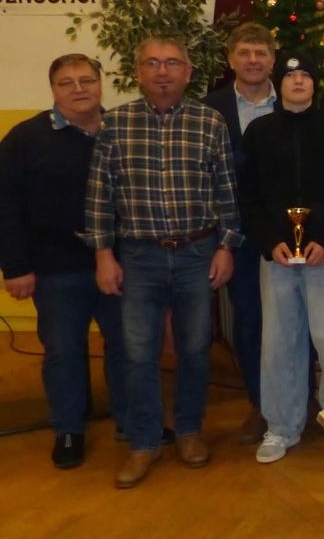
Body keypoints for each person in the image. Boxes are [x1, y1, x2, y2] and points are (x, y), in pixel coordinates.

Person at [85, 35, 242, 488]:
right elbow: (100, 197)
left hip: (197, 253)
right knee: (137, 353)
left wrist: (226, 246)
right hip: (138, 257)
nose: (162, 71)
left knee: (195, 349)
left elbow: (226, 194)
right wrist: (103, 255)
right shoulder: (115, 124)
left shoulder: (209, 122)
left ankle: (189, 431)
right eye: (152, 63)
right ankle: (144, 441)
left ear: (188, 73)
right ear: (138, 72)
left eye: (172, 63)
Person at [0, 54, 127, 469]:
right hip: (55, 269)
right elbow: (6, 206)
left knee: (128, 347)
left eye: (87, 80)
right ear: (53, 89)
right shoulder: (25, 138)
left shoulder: (123, 132)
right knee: (63, 352)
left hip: (121, 266)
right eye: (67, 83)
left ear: (100, 84)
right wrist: (14, 266)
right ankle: (68, 430)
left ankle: (132, 421)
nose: (79, 89)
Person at [239, 52, 324, 464]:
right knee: (279, 342)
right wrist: (269, 239)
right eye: (290, 76)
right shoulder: (259, 132)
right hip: (276, 257)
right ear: (279, 84)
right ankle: (281, 426)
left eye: (305, 75)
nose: (298, 82)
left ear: (315, 85)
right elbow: (249, 196)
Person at [200, 24, 278, 445]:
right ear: (231, 60)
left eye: (261, 52)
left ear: (272, 58)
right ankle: (260, 404)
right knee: (250, 320)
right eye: (245, 52)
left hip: (288, 234)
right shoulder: (209, 109)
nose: (253, 60)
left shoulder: (294, 100)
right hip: (238, 237)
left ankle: (293, 398)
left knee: (291, 319)